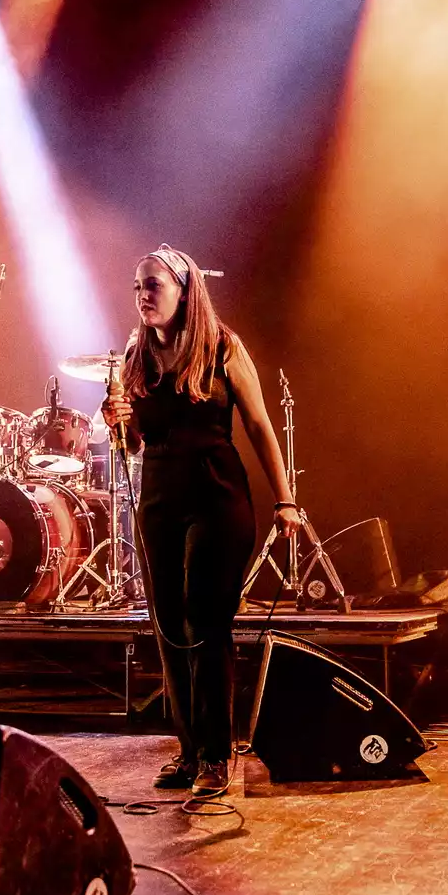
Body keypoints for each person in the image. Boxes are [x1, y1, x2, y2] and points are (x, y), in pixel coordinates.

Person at [101, 245, 306, 795]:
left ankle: (218, 754)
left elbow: (261, 425)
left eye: (153, 285)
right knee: (169, 625)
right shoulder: (134, 353)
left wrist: (286, 500)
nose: (142, 295)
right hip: (160, 496)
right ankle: (190, 752)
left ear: (184, 291)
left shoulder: (221, 346)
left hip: (216, 491)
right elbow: (135, 442)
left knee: (204, 619)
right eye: (137, 286)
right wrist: (116, 422)